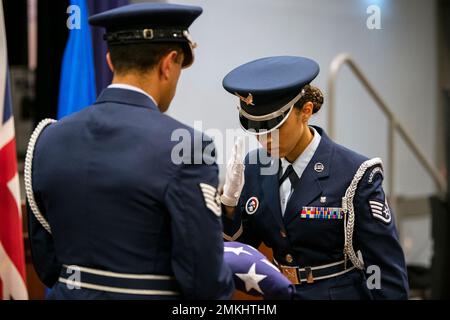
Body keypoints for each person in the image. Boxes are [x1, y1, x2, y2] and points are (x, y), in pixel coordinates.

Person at [24, 3, 233, 300]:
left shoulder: (48, 137)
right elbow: (204, 280)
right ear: (169, 63)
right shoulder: (188, 146)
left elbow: (45, 260)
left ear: (110, 61)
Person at [220, 55, 409, 299]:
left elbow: (385, 269)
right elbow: (241, 249)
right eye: (257, 129)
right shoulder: (255, 167)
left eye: (276, 127)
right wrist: (229, 203)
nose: (266, 139)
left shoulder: (355, 172)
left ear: (306, 111)